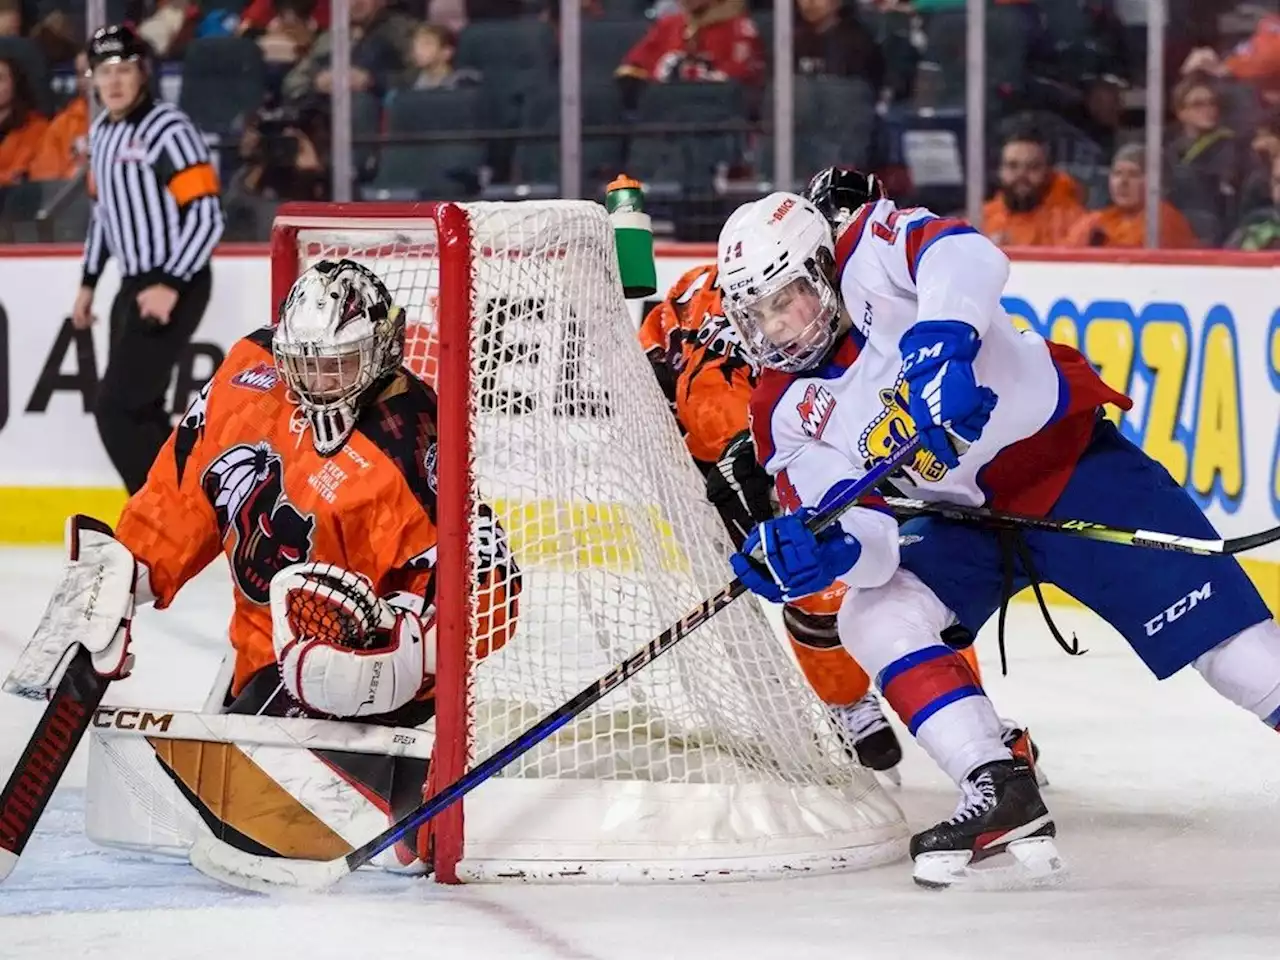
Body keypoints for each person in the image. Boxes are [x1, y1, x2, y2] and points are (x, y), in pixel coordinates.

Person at [717, 167, 1280, 889]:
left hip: (1073, 473)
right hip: (962, 521)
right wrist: (824, 548)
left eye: (785, 301)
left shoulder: (870, 248)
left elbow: (968, 255)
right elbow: (874, 544)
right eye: (756, 315)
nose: (775, 329)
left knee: (1238, 656)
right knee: (874, 612)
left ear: (821, 268)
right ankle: (997, 782)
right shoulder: (781, 411)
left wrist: (940, 341)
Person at [36, 258, 519, 872]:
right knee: (201, 820)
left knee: (247, 834)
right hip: (260, 673)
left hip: (355, 691)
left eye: (336, 364)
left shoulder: (411, 437)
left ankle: (406, 780)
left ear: (380, 354)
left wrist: (407, 650)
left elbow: (493, 580)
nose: (315, 381)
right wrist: (129, 569)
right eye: (303, 363)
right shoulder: (248, 371)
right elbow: (184, 490)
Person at [637, 218, 1041, 783]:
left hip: (828, 431)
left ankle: (974, 718)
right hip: (739, 451)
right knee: (813, 581)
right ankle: (847, 703)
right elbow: (697, 405)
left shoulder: (842, 285)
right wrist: (738, 467)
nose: (778, 322)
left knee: (914, 572)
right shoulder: (718, 336)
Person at [72, 24, 225, 495]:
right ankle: (189, 507)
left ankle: (156, 514)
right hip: (132, 282)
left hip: (175, 280)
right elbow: (104, 217)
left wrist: (172, 284)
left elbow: (206, 215)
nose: (114, 81)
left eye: (124, 70)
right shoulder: (100, 135)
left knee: (117, 409)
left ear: (143, 74)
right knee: (142, 408)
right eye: (104, 71)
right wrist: (89, 282)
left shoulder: (168, 131)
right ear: (93, 79)